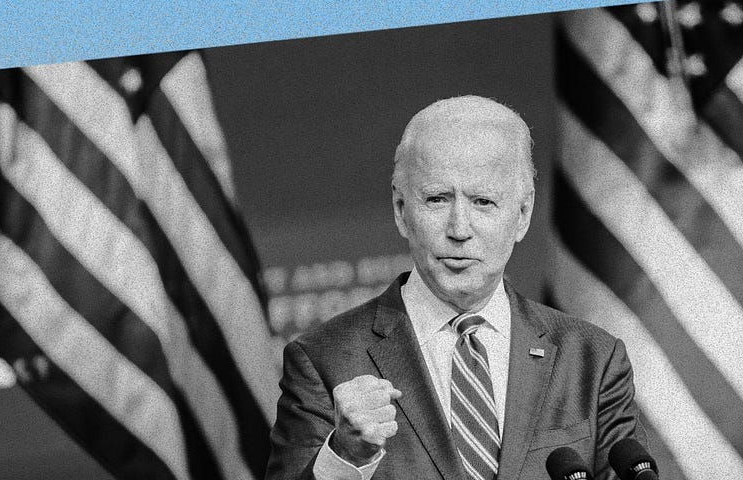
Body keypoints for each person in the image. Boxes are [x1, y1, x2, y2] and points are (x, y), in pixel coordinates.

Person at [265, 96, 641, 480]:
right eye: (437, 199)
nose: (459, 229)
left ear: (523, 215)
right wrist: (345, 456)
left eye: (483, 202)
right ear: (400, 211)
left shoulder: (592, 361)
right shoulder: (324, 360)